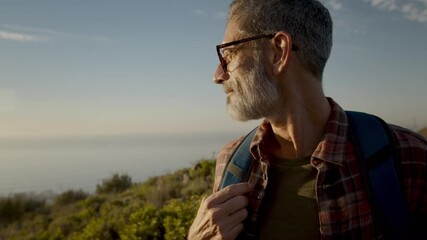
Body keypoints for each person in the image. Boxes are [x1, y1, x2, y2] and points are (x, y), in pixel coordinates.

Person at [188, 0, 427, 239]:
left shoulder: (409, 158)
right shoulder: (230, 162)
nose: (218, 75)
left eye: (228, 54)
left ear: (278, 52)